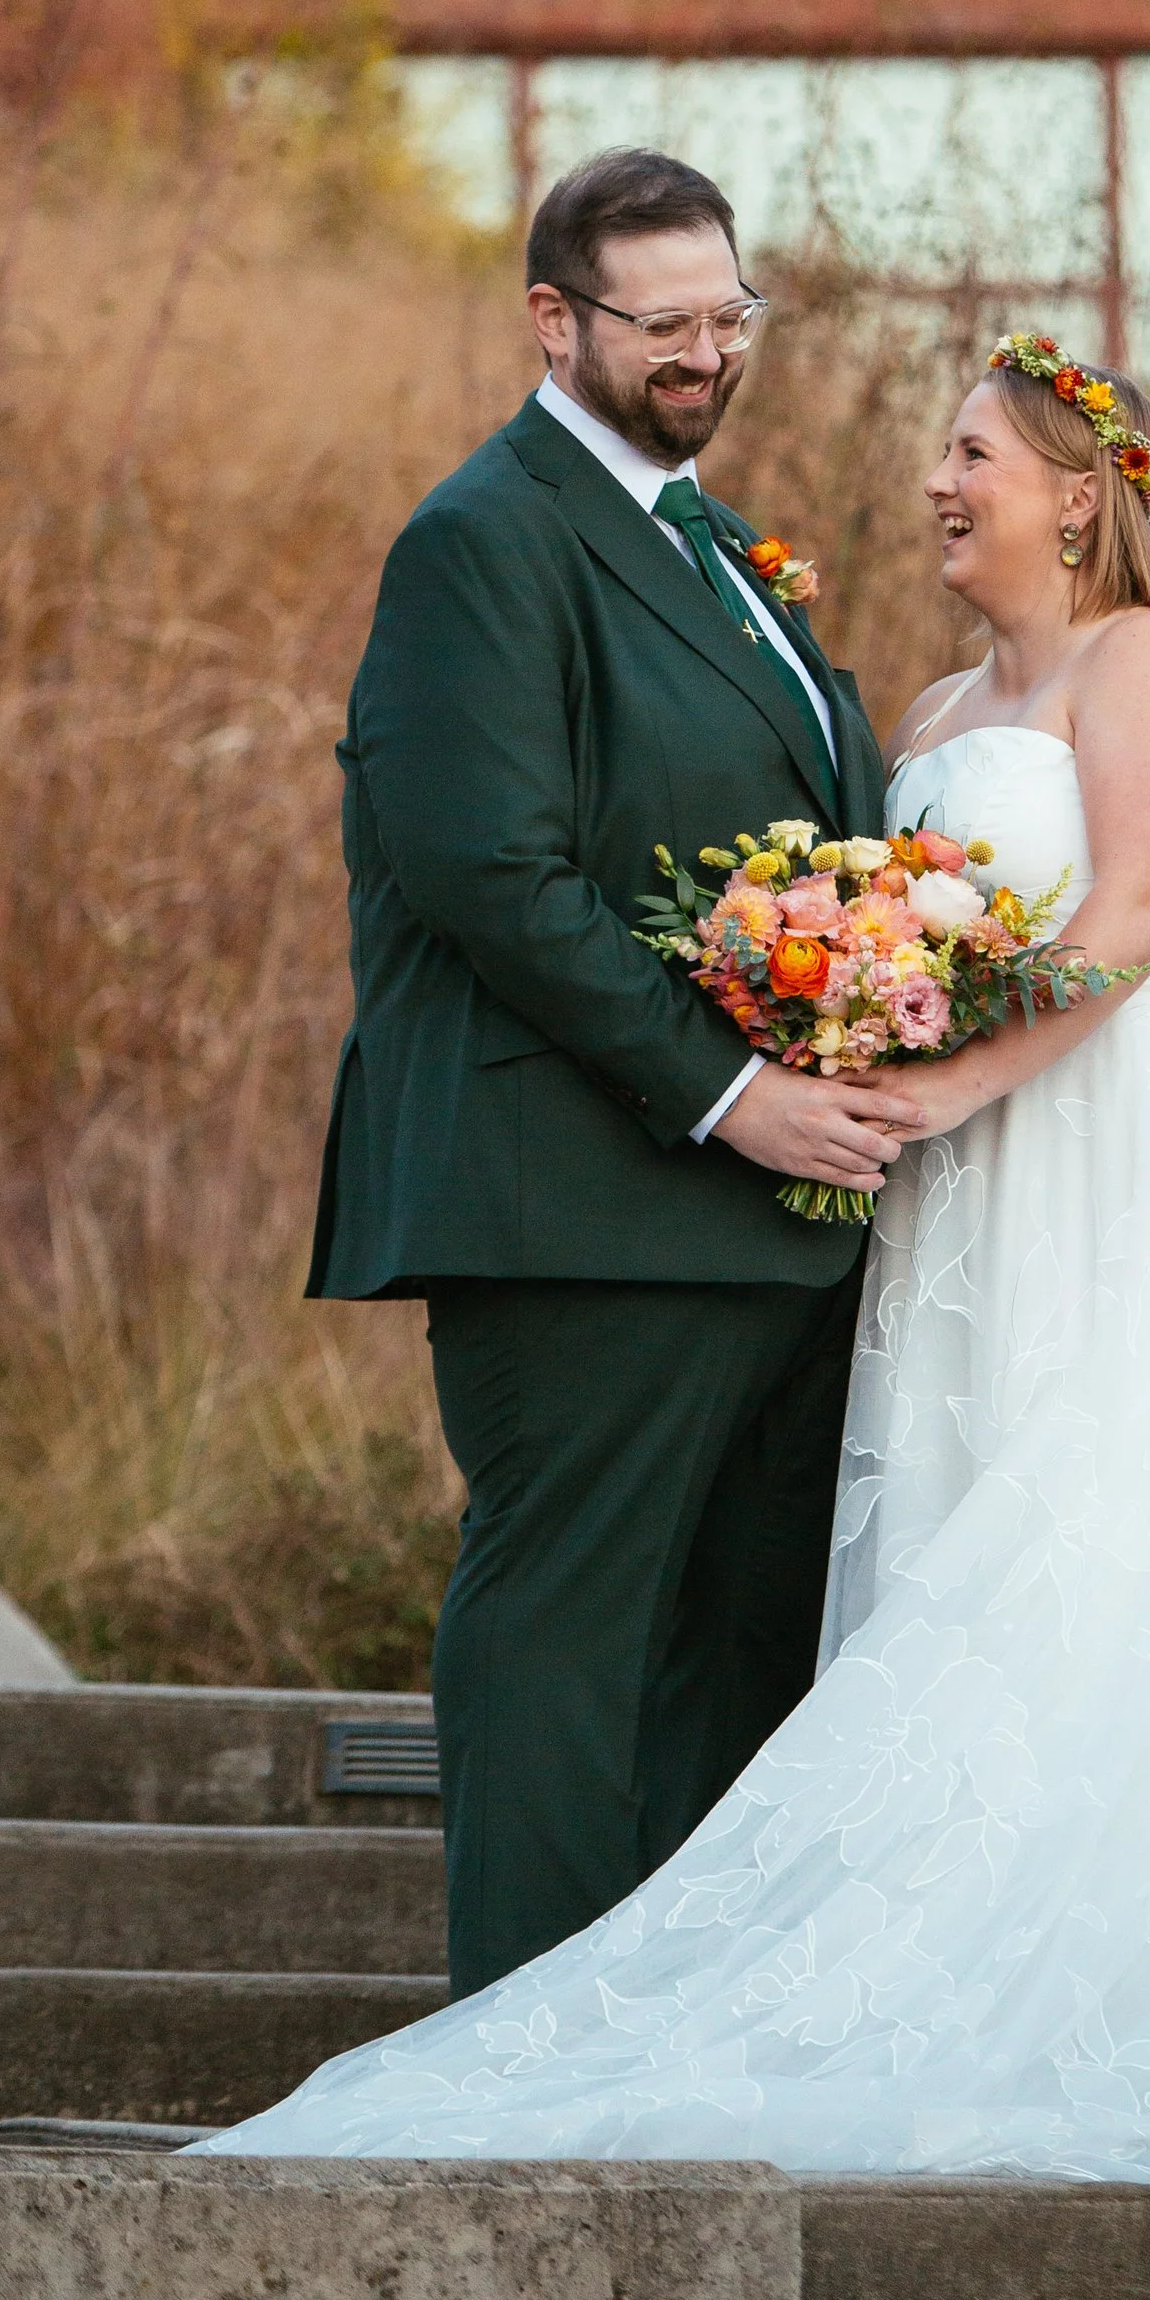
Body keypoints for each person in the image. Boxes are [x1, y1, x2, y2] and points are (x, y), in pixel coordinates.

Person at [203, 329, 1150, 2186]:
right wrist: (834, 1038)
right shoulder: (920, 720)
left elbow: (1133, 921)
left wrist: (952, 1080)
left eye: (972, 455)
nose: (938, 482)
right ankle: (942, 1950)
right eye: (943, 453)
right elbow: (871, 922)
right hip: (951, 1201)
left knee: (1120, 1539)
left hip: (1124, 1159)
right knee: (949, 1541)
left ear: (1079, 496)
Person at [303, 144, 916, 2000]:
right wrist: (743, 1093)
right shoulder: (482, 540)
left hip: (761, 1224)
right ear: (554, 319)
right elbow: (491, 872)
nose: (707, 353)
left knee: (732, 1656)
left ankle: (669, 2043)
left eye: (732, 315)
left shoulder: (714, 544)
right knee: (569, 1640)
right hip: (574, 1205)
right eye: (665, 321)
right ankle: (522, 2066)